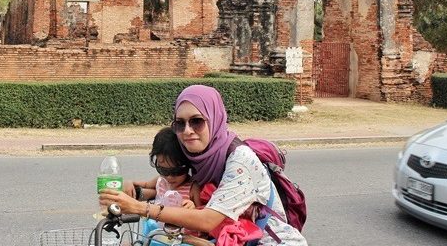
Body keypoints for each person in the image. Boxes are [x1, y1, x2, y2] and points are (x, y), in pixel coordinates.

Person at [100, 85, 308, 245]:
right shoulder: (197, 153)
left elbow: (208, 220)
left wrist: (139, 207)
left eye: (197, 121)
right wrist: (135, 190)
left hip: (268, 241)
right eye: (180, 124)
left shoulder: (240, 160)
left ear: (214, 118)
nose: (188, 130)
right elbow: (170, 182)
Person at [127, 127, 198, 208]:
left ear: (188, 164)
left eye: (176, 171)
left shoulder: (192, 188)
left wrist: (193, 207)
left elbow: (202, 214)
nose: (169, 177)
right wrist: (129, 183)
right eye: (164, 170)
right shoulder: (161, 180)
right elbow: (145, 184)